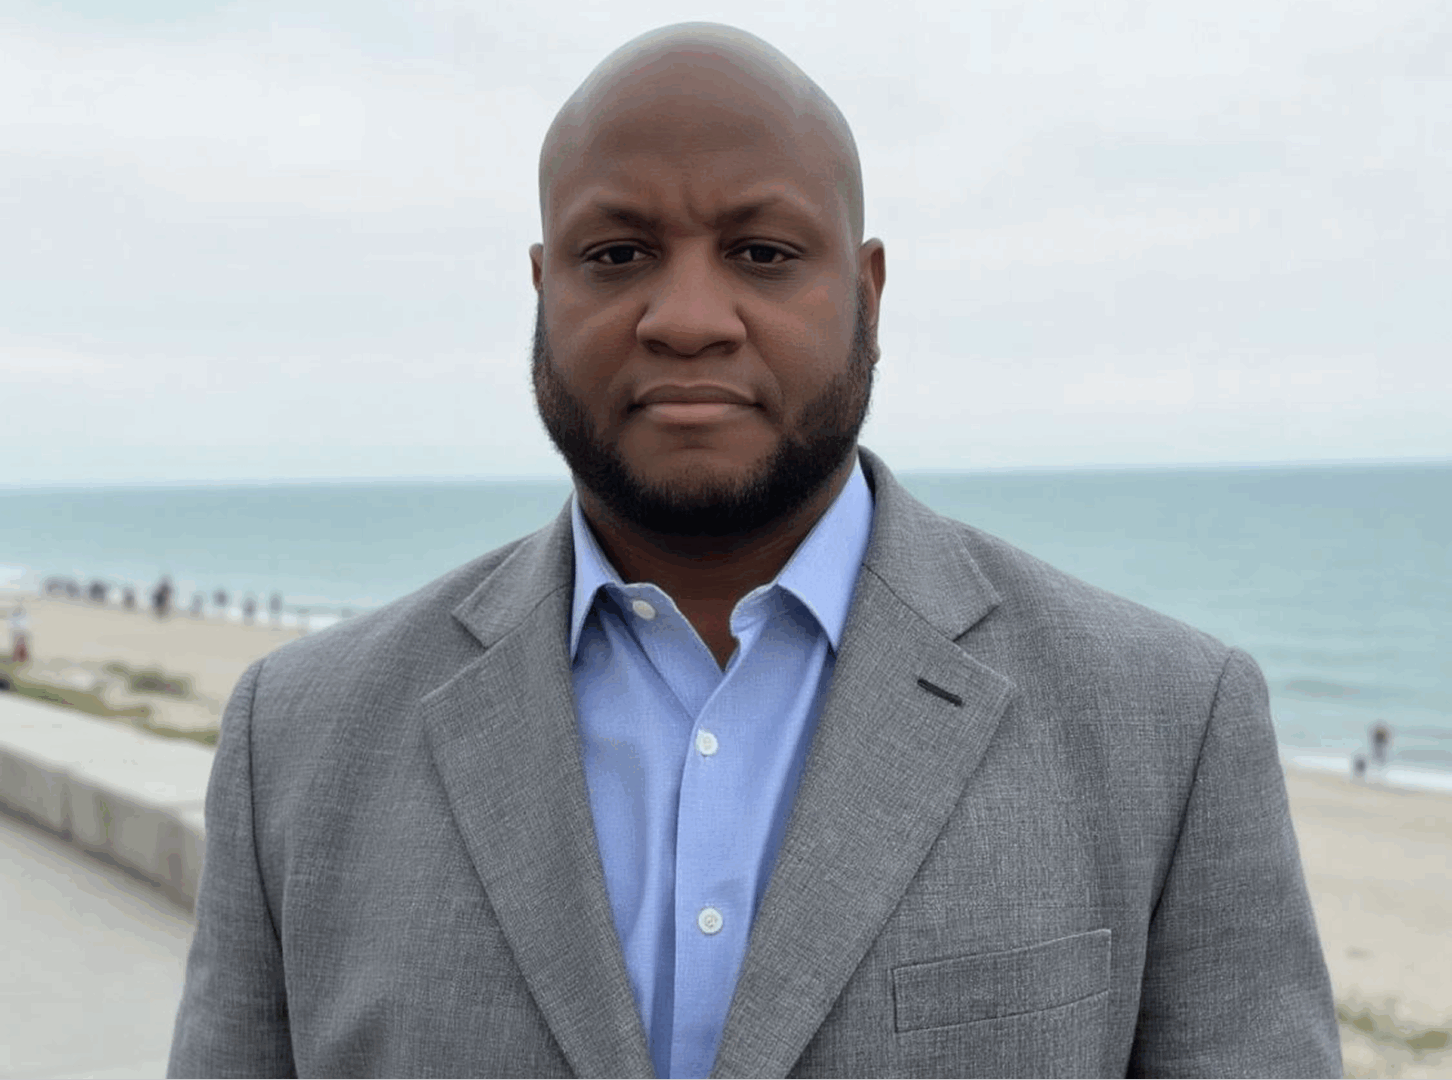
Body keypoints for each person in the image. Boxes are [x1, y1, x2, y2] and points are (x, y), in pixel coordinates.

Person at [169, 24, 1341, 1080]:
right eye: (617, 254)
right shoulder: (300, 737)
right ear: (541, 288)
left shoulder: (1169, 723)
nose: (687, 318)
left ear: (867, 293)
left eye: (764, 252)